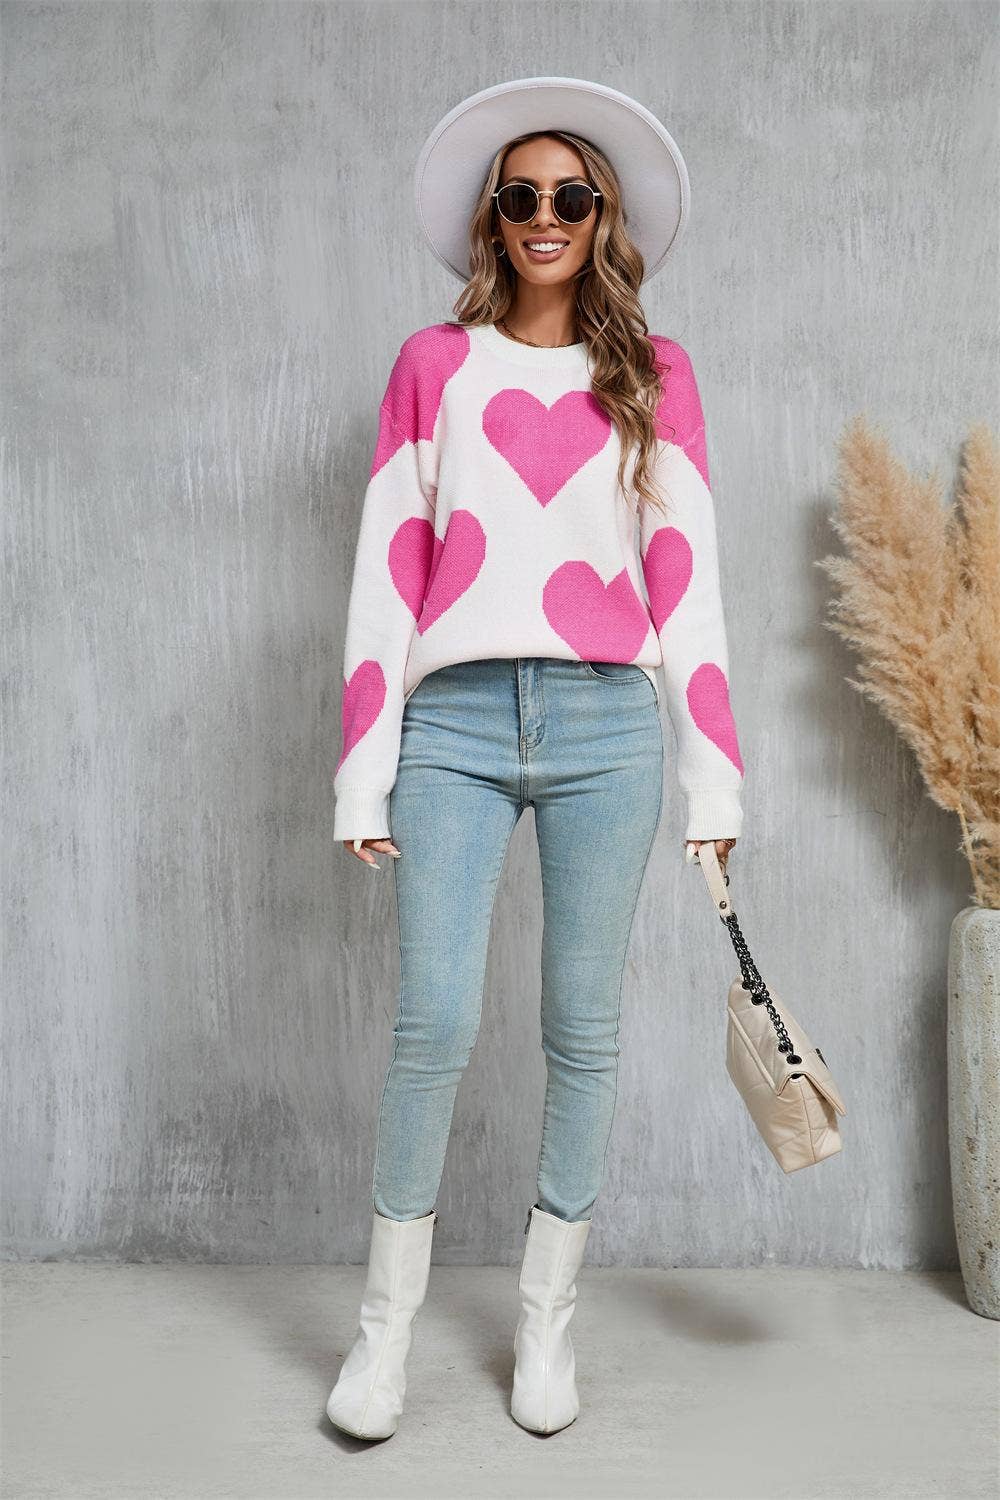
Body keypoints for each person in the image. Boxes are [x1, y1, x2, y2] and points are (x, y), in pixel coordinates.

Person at [325, 77, 745, 1441]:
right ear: (491, 220)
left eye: (572, 195)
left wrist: (715, 779)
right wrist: (363, 768)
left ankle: (546, 1325)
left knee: (583, 1029)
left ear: (603, 216)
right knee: (435, 1022)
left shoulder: (657, 376)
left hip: (609, 725)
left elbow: (688, 586)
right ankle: (383, 1336)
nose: (546, 214)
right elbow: (388, 573)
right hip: (450, 724)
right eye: (522, 194)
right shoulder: (432, 368)